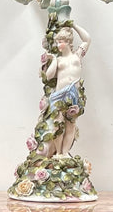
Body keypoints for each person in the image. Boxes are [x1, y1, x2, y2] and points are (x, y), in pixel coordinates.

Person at [39, 23, 91, 157]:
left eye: (60, 42)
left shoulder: (77, 56)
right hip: (59, 95)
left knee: (70, 125)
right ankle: (58, 153)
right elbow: (49, 76)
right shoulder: (59, 59)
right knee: (57, 124)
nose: (58, 45)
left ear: (68, 42)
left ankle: (65, 152)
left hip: (73, 93)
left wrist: (73, 25)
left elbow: (87, 39)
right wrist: (54, 59)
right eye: (56, 42)